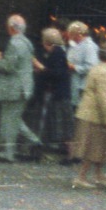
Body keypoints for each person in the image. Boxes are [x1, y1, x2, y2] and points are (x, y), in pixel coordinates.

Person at [0, 14, 41, 162]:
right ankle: (32, 142)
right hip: (23, 88)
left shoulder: (14, 44)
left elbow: (8, 66)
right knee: (13, 119)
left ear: (11, 28)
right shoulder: (27, 43)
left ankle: (9, 153)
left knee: (10, 121)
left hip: (13, 88)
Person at [72, 43, 106, 189]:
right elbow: (102, 97)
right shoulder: (103, 72)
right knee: (92, 147)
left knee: (100, 145)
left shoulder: (100, 69)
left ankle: (98, 174)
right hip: (93, 115)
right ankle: (81, 177)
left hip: (92, 113)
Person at [33, 25, 72, 157]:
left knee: (61, 120)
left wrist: (41, 68)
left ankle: (66, 149)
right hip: (55, 91)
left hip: (59, 92)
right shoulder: (55, 52)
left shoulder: (58, 53)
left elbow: (57, 73)